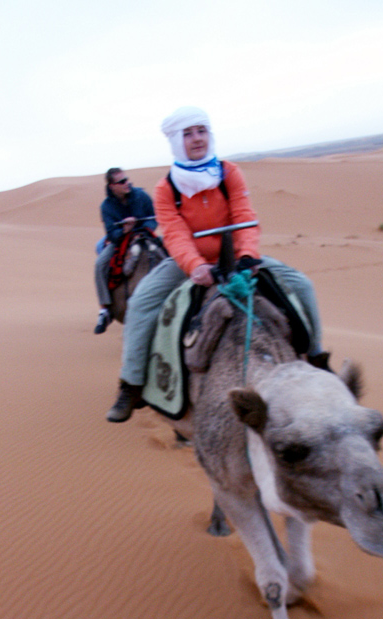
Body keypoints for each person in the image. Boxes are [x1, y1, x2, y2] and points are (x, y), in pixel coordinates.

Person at [106, 107, 331, 422]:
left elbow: (244, 216)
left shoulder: (229, 173)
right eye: (187, 133)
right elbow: (174, 233)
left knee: (301, 285)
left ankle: (318, 358)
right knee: (142, 303)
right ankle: (131, 384)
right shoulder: (166, 188)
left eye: (201, 131)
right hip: (191, 264)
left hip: (237, 257)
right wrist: (195, 266)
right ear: (175, 140)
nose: (196, 139)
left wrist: (247, 255)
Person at [93, 168, 158, 333]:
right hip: (120, 240)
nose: (126, 183)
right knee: (100, 264)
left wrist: (142, 230)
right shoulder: (106, 207)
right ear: (112, 186)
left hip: (144, 235)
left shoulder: (141, 196)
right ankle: (105, 310)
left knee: (172, 251)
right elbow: (111, 233)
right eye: (121, 182)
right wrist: (124, 231)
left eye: (126, 179)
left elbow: (154, 218)